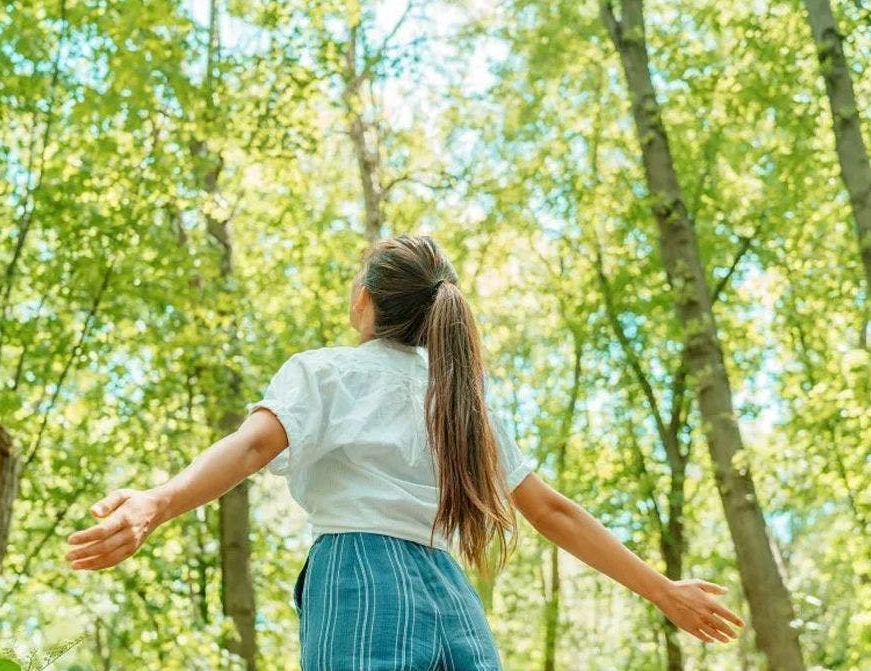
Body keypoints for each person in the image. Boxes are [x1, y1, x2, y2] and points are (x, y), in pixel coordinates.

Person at [65, 234, 744, 669]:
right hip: (449, 592)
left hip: (358, 574)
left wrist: (158, 499)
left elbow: (248, 449)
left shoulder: (327, 370)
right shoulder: (461, 400)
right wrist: (662, 589)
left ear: (364, 301)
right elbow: (552, 510)